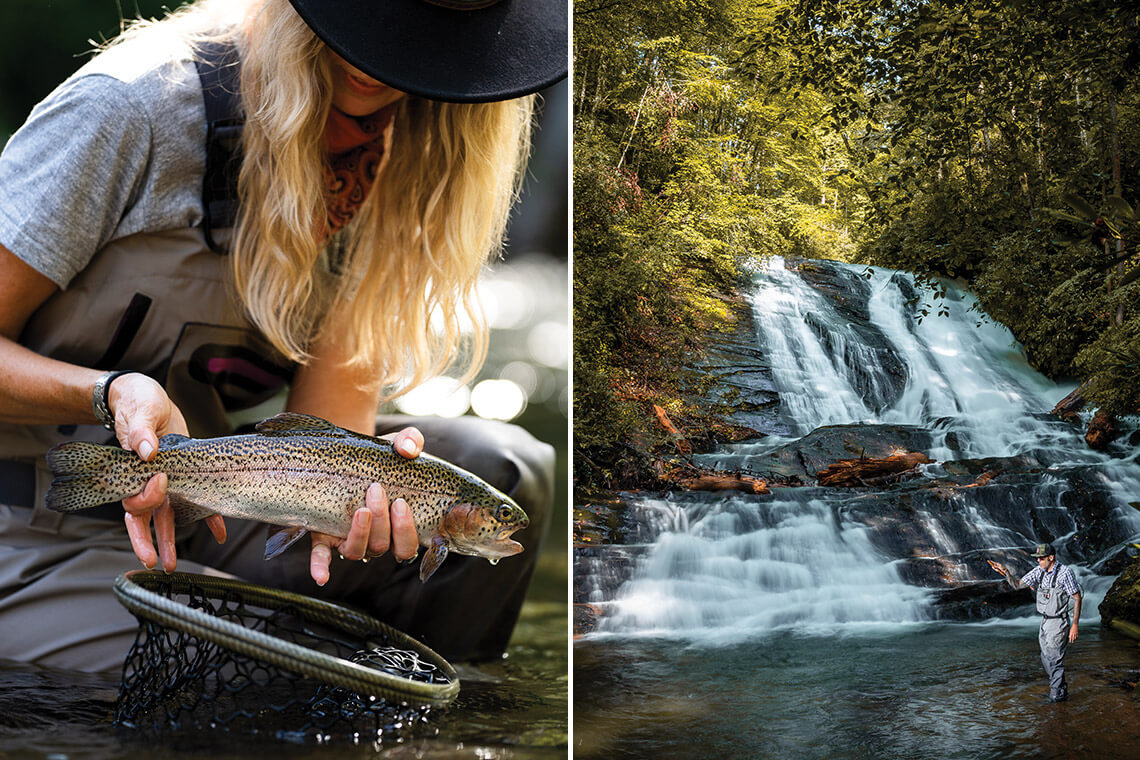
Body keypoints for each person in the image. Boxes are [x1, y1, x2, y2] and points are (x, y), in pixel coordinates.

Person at [0, 0, 566, 672]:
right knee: (273, 681)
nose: (380, 61)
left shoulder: (406, 152)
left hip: (204, 502)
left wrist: (349, 505)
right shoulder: (133, 108)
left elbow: (326, 425)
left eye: (423, 43)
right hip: (26, 522)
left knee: (508, 470)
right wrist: (107, 393)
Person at [991, 543, 1083, 702]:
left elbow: (1077, 597)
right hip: (1045, 621)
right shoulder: (1038, 571)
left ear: (1051, 558)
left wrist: (1074, 624)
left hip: (1059, 622)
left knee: (1054, 659)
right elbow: (1019, 585)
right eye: (1038, 558)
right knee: (1045, 658)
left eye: (1041, 558)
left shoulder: (1065, 573)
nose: (1039, 561)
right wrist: (1005, 572)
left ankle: (1057, 697)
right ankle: (1061, 688)